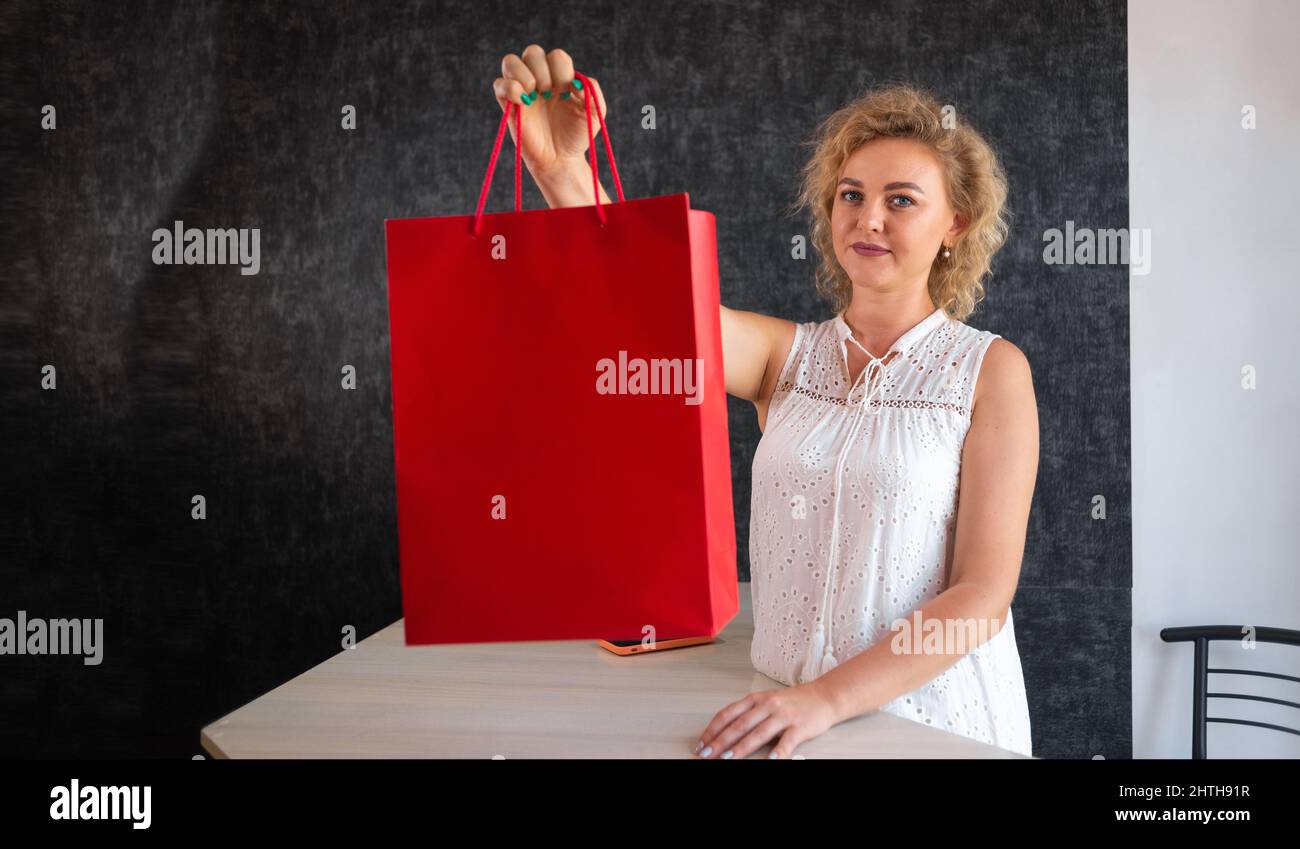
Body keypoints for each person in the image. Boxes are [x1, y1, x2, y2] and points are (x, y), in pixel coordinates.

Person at [492, 45, 1037, 759]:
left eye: (900, 199)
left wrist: (825, 699)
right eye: (851, 194)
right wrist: (563, 174)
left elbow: (981, 597)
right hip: (783, 721)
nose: (868, 218)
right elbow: (650, 307)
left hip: (931, 727)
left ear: (956, 224)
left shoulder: (989, 369)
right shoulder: (787, 357)